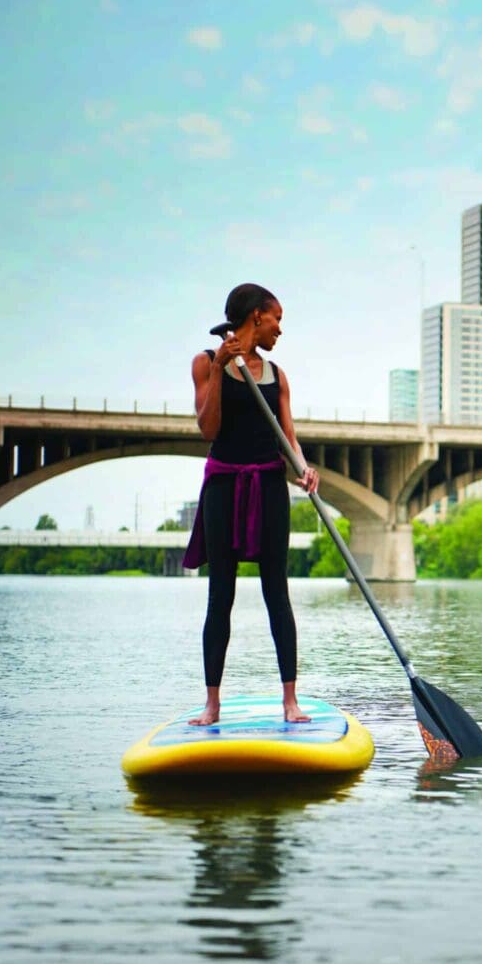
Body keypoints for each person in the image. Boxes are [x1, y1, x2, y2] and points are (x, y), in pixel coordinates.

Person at [182, 283, 320, 725]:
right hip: (224, 485)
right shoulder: (206, 362)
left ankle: (290, 701)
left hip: (268, 484)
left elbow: (288, 436)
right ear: (257, 315)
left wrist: (303, 467)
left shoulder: (277, 375)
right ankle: (212, 704)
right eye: (277, 318)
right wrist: (221, 370)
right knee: (220, 591)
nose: (280, 329)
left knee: (276, 591)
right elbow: (208, 428)